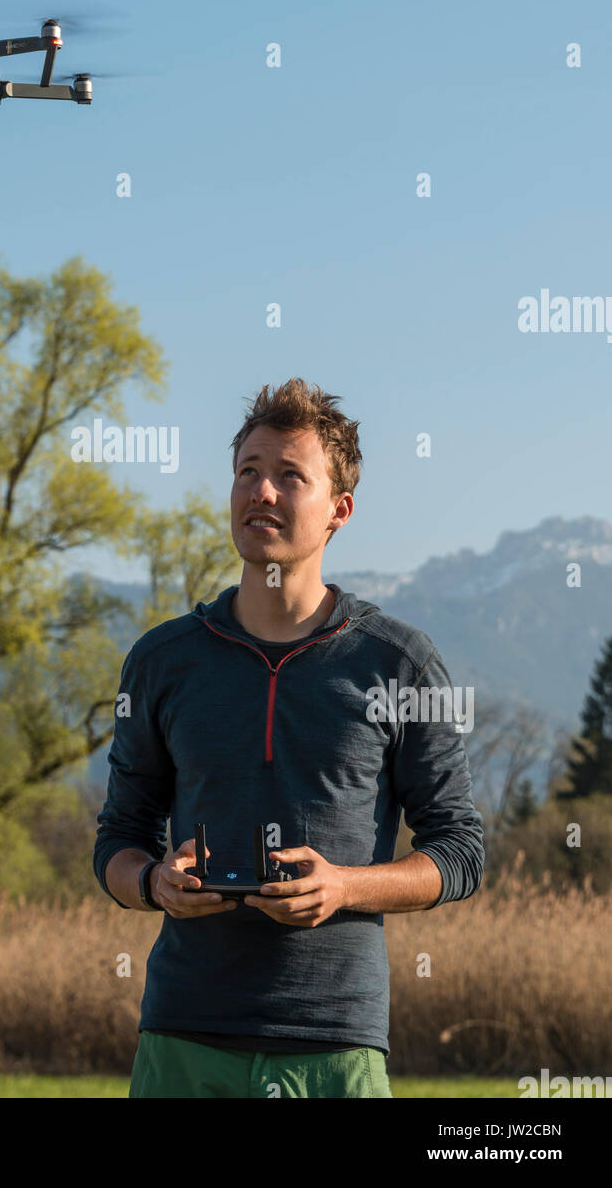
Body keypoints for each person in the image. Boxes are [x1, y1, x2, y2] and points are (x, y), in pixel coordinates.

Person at [92, 378, 484, 1098]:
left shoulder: (399, 662)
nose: (261, 492)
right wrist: (153, 882)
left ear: (340, 510)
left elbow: (459, 852)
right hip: (183, 1035)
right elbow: (117, 837)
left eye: (288, 476)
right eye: (248, 471)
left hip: (335, 1045)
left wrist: (344, 887)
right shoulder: (162, 660)